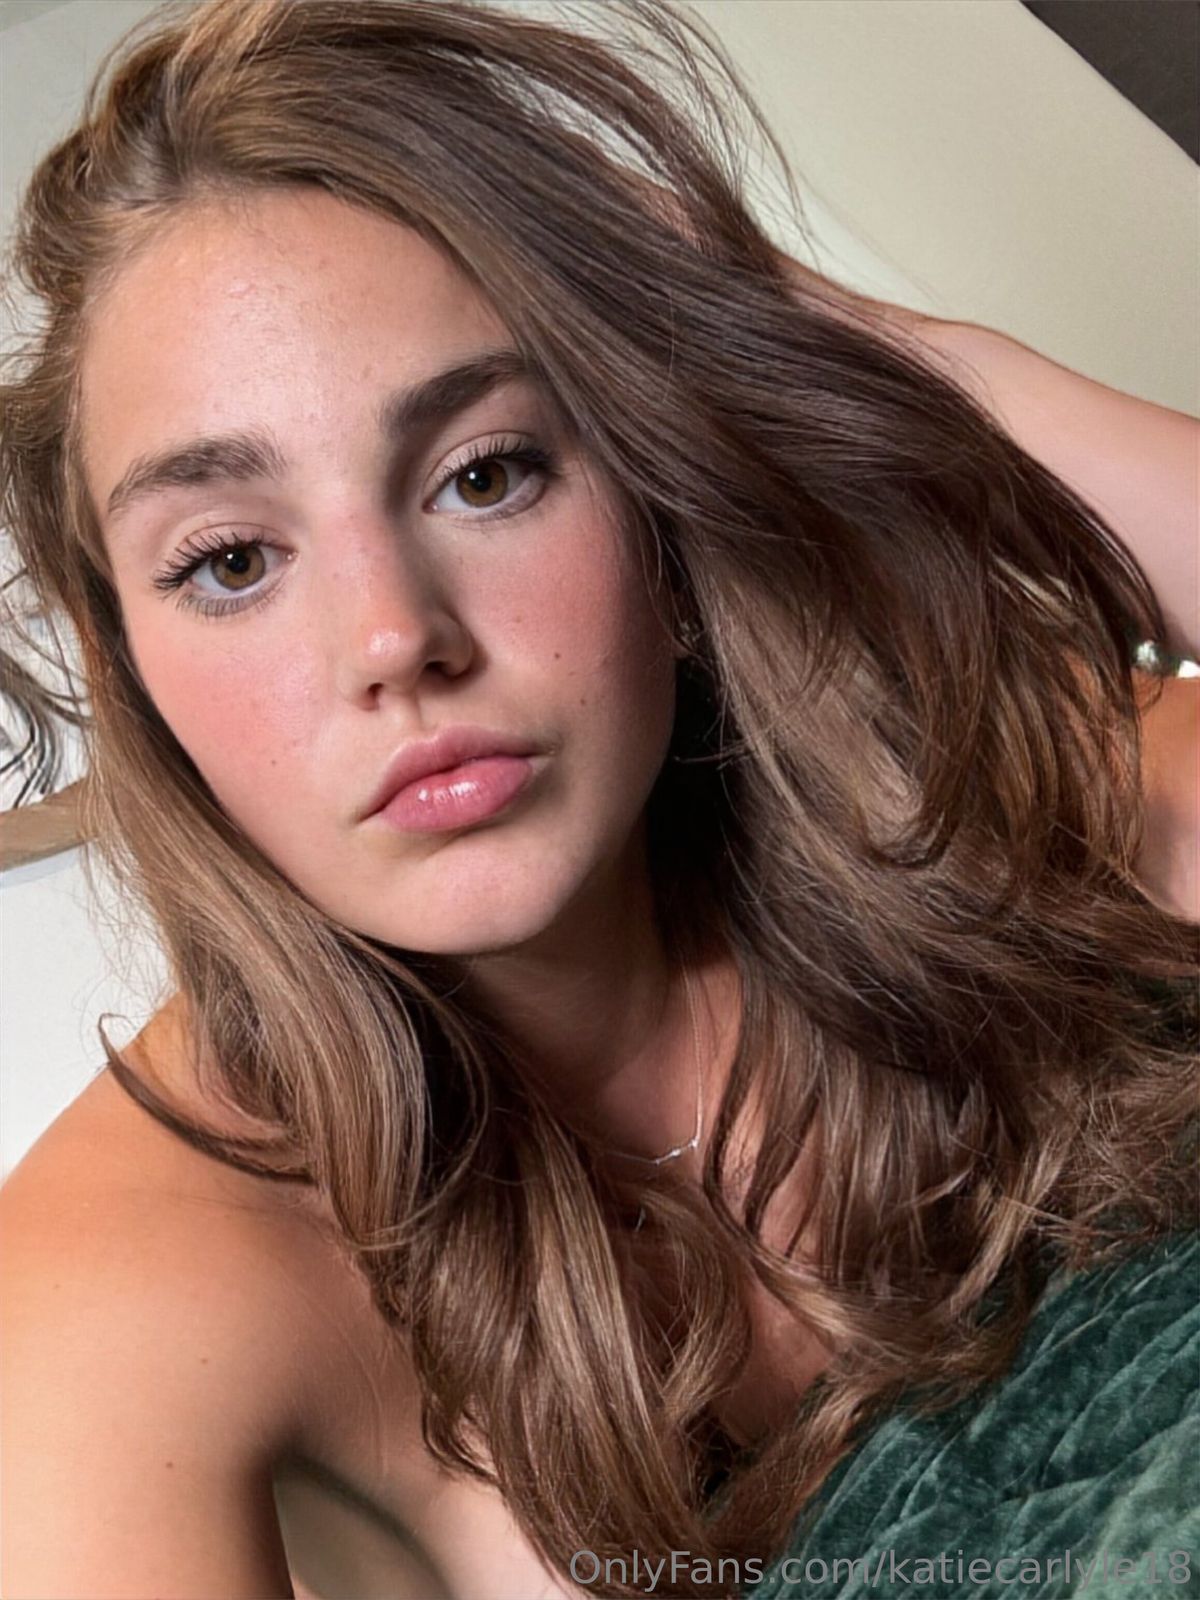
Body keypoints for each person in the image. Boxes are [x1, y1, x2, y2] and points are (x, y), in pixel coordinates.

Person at [0, 1, 1195, 1596]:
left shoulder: (970, 801)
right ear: (133, 668)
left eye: (484, 473)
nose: (395, 640)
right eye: (229, 561)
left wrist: (803, 339)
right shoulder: (132, 1271)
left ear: (653, 488)